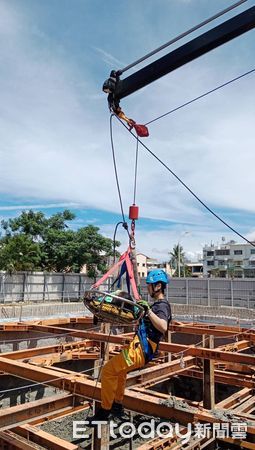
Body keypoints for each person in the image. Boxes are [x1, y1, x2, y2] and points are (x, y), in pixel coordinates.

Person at [88, 269, 171, 422]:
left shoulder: (162, 306)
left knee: (107, 371)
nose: (148, 288)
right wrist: (102, 315)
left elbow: (163, 326)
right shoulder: (155, 306)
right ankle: (117, 405)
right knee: (120, 372)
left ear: (158, 286)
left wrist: (148, 312)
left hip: (141, 350)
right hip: (140, 348)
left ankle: (104, 412)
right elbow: (127, 317)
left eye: (149, 285)